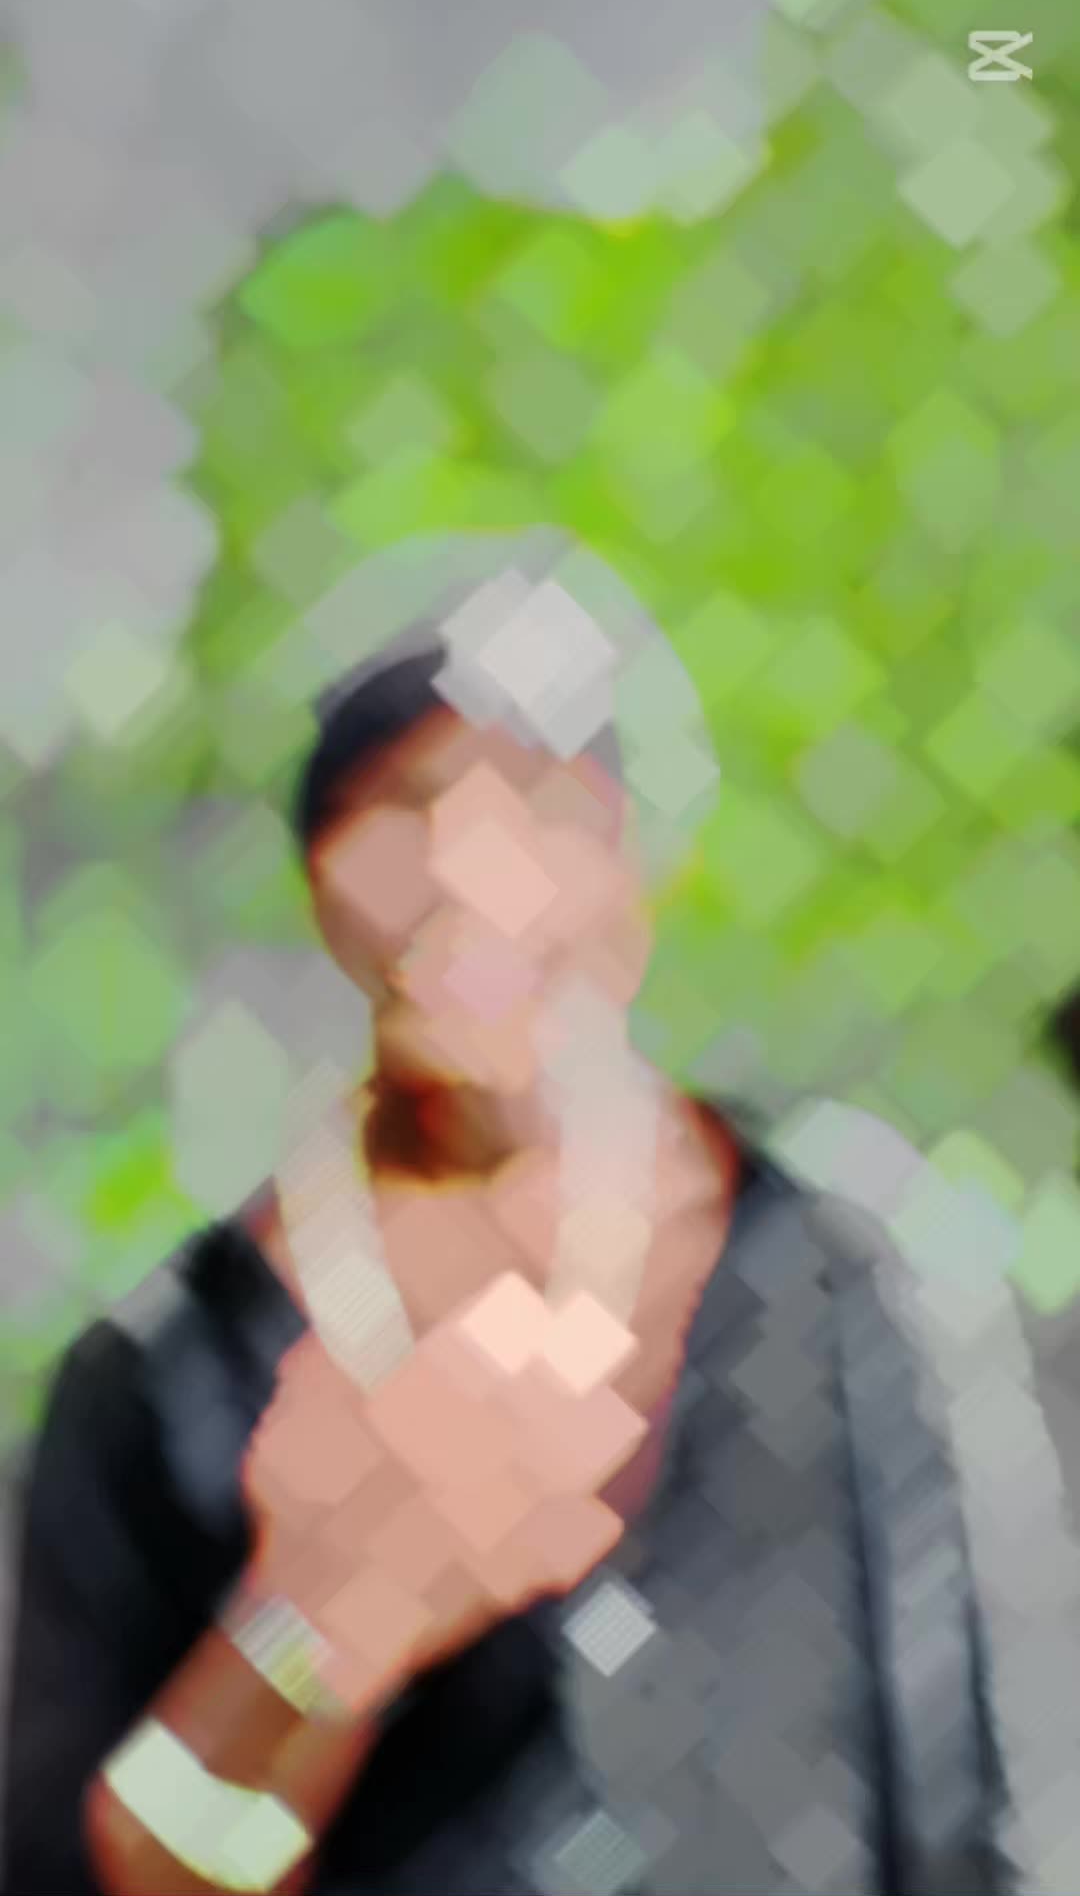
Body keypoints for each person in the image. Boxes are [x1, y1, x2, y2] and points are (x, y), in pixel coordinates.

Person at [0, 618, 1041, 1896]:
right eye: (403, 805)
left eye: (542, 803)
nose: (466, 870)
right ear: (318, 866)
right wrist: (332, 1616)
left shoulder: (840, 1274)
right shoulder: (173, 1374)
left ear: (640, 855)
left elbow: (991, 1805)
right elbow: (99, 1876)